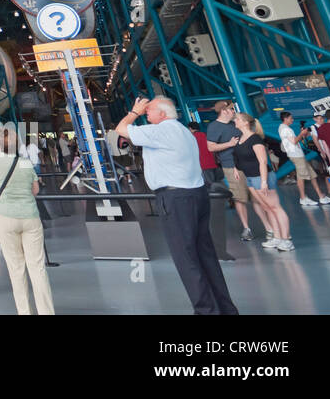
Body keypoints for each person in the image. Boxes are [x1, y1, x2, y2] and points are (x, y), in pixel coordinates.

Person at [117, 96, 238, 315]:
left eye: (149, 109)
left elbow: (122, 129)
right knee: (205, 256)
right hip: (196, 194)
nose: (146, 112)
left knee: (187, 259)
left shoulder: (160, 131)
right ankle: (225, 309)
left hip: (176, 199)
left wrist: (134, 111)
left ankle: (206, 311)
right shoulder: (183, 131)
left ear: (163, 113)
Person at [0, 127, 54, 315]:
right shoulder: (25, 162)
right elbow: (35, 190)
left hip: (6, 217)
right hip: (30, 215)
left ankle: (24, 312)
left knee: (16, 269)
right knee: (38, 268)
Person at [233, 112, 293, 252]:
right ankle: (277, 237)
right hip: (250, 178)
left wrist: (264, 181)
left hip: (261, 177)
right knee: (266, 208)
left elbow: (262, 161)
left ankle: (286, 239)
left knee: (275, 207)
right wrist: (236, 168)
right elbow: (239, 156)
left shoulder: (255, 139)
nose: (235, 121)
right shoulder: (240, 139)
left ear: (245, 122)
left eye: (237, 119)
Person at [205, 101, 254, 241]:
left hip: (248, 164)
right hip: (230, 165)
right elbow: (211, 147)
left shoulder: (235, 124)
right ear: (224, 111)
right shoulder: (214, 126)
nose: (234, 111)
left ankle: (269, 227)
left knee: (257, 197)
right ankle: (246, 228)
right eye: (231, 109)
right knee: (239, 197)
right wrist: (230, 144)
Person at [278, 111, 330, 205]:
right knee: (301, 177)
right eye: (291, 118)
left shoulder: (283, 128)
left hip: (298, 155)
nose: (292, 120)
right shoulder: (286, 129)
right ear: (286, 118)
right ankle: (303, 198)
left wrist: (302, 134)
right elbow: (294, 141)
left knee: (312, 175)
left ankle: (321, 196)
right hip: (296, 155)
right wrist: (302, 133)